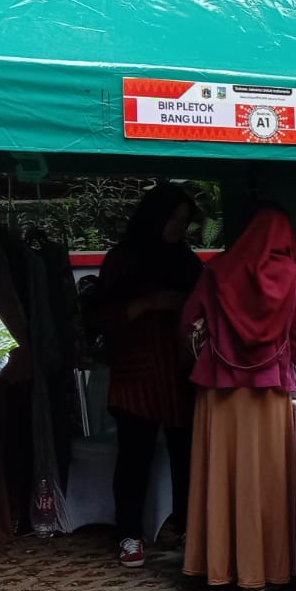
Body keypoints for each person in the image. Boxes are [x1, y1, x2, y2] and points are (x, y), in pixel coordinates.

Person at [181, 206, 296, 591]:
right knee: (267, 479)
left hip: (218, 390)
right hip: (268, 392)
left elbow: (189, 319)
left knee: (221, 475)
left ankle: (217, 570)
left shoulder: (216, 271)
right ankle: (267, 573)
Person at [94, 185, 202, 568]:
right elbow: (103, 318)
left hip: (177, 371)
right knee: (134, 456)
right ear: (154, 217)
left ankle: (190, 529)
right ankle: (129, 534)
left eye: (184, 221)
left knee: (185, 456)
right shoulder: (122, 259)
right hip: (137, 370)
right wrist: (148, 304)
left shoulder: (187, 261)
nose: (178, 227)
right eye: (173, 219)